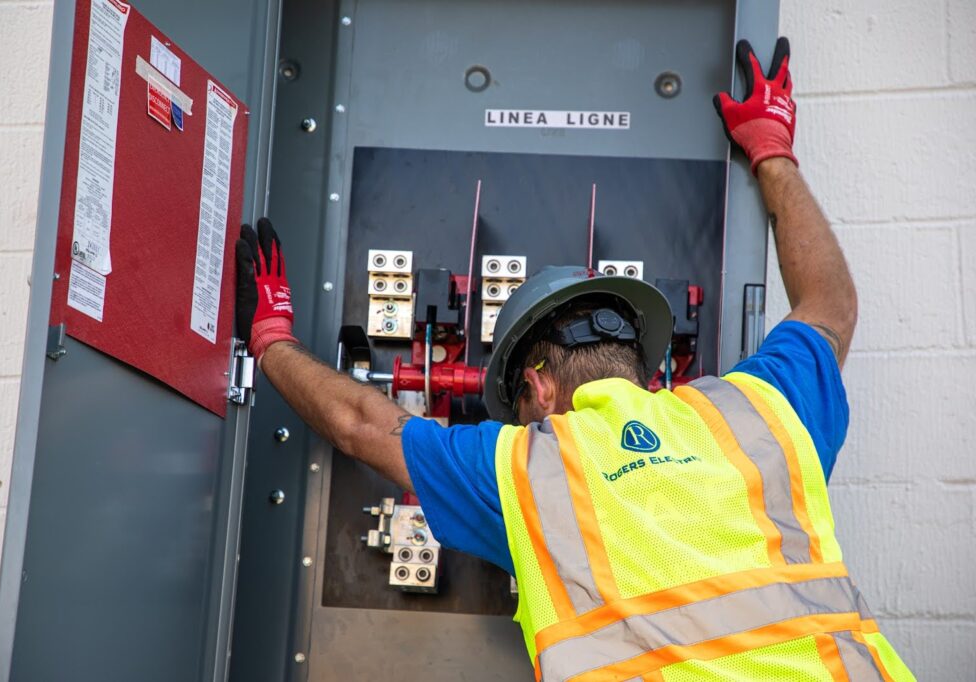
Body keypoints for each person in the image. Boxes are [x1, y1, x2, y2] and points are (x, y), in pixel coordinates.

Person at [234, 38, 914, 681]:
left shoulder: (522, 469)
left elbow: (362, 425)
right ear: (646, 369)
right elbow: (830, 306)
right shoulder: (755, 412)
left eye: (520, 411)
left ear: (538, 388)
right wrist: (771, 148)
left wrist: (270, 338)